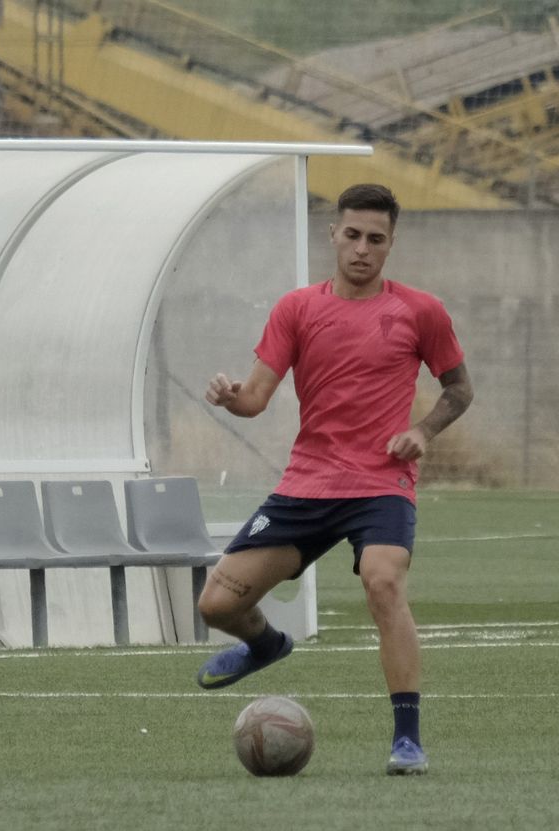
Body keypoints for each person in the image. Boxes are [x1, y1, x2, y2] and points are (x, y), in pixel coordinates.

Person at [194, 183, 473, 776]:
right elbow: (256, 400)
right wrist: (230, 398)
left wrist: (422, 431)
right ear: (333, 235)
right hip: (307, 484)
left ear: (391, 243)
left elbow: (459, 388)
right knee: (217, 604)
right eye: (352, 235)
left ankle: (407, 739)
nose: (363, 249)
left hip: (381, 484)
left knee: (383, 584)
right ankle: (266, 645)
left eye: (376, 239)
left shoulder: (421, 311)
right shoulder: (296, 309)